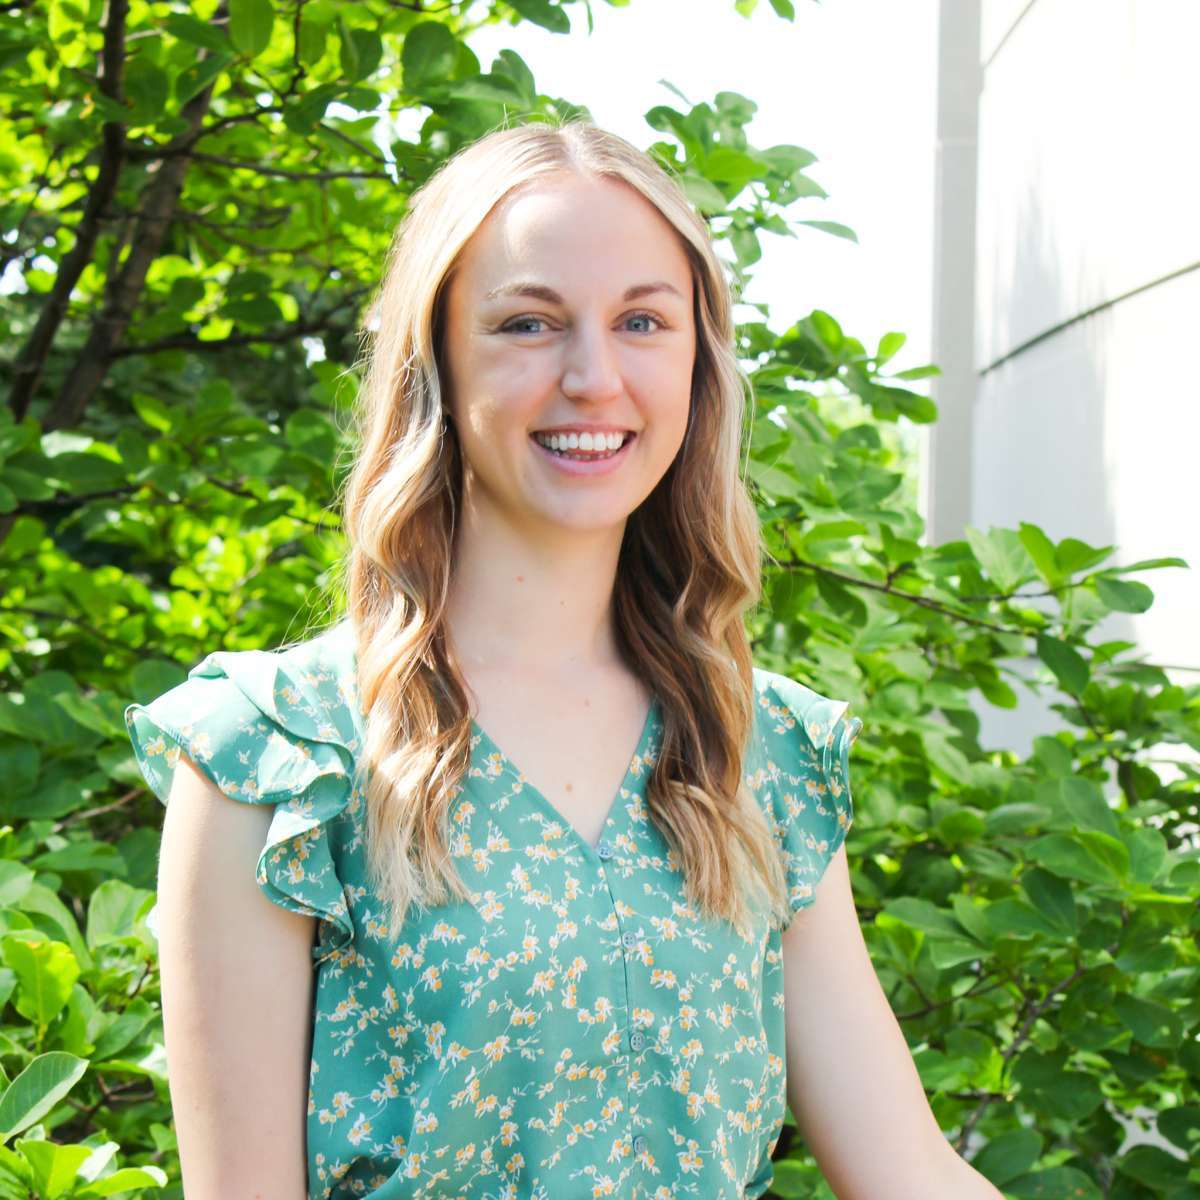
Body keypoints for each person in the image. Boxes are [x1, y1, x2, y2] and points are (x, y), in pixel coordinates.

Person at [125, 120, 1002, 1200]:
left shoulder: (755, 753)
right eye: (529, 323)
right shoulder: (282, 756)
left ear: (697, 361)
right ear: (436, 359)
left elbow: (914, 1175)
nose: (593, 377)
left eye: (642, 320)